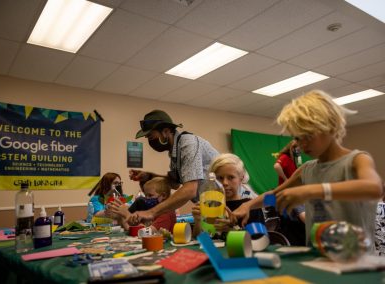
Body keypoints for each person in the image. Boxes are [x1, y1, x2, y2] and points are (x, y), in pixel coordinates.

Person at [232, 90, 383, 250]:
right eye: (297, 137)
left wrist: (312, 191)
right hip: (318, 258)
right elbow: (276, 197)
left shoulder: (357, 160)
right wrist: (248, 206)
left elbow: (374, 189)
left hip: (356, 262)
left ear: (331, 126)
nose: (301, 144)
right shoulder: (306, 170)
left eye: (307, 135)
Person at [118, 110, 219, 224]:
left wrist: (151, 212)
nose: (150, 141)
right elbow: (175, 183)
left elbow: (190, 190)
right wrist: (149, 176)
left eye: (151, 137)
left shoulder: (188, 144)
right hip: (209, 205)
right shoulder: (174, 152)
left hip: (226, 202)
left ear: (166, 131)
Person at [192, 153, 264, 237]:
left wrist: (231, 230)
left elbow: (259, 241)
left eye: (231, 177)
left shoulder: (251, 207)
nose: (225, 183)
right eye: (220, 178)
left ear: (241, 178)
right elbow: (198, 240)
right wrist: (197, 221)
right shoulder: (209, 206)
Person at [107, 177, 177, 233]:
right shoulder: (150, 211)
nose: (146, 199)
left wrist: (126, 214)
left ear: (163, 196)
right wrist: (120, 216)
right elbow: (132, 228)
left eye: (150, 195)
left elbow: (142, 233)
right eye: (146, 195)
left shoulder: (166, 214)